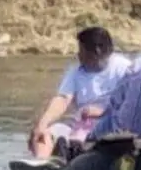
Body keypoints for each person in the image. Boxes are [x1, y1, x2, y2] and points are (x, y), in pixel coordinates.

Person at [27, 26, 134, 158]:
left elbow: (133, 102)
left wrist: (103, 112)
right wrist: (42, 124)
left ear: (97, 52)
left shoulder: (124, 68)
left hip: (112, 126)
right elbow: (63, 99)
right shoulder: (75, 72)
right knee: (46, 133)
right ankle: (41, 163)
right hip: (80, 127)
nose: (78, 55)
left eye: (81, 50)